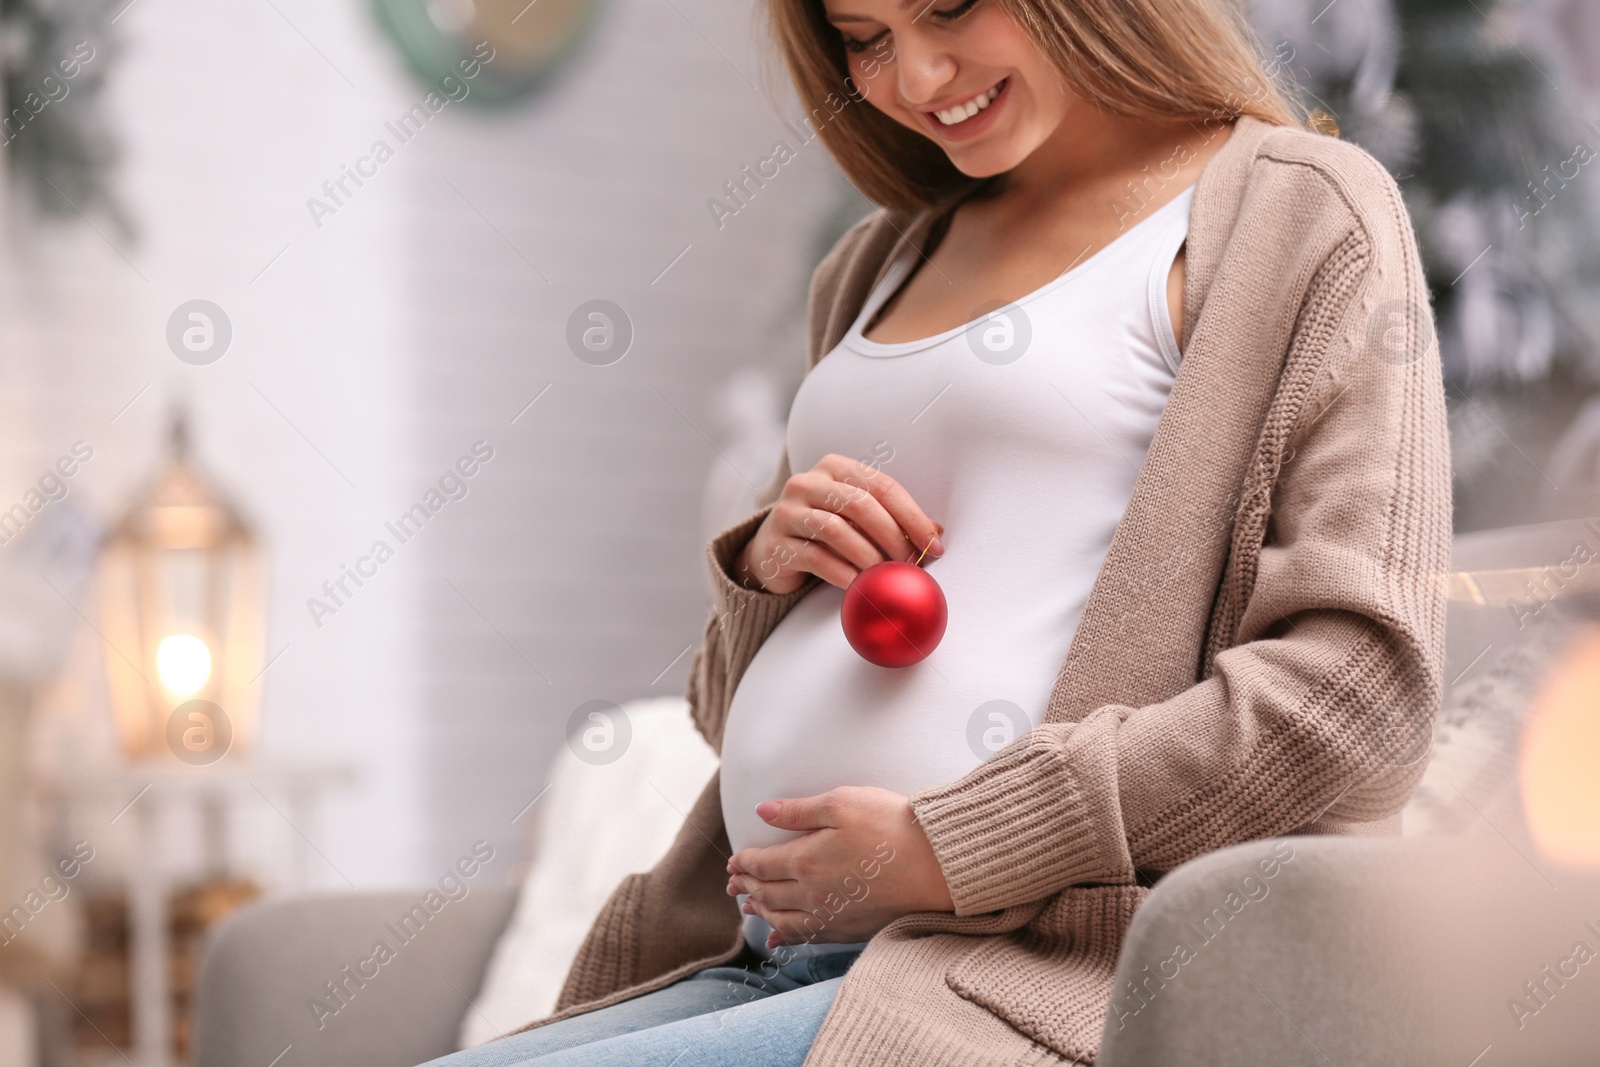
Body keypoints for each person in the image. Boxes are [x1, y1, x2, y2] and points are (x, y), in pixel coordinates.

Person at [421, 0, 1451, 1063]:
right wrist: (768, 572)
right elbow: (729, 715)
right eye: (864, 39)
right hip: (771, 958)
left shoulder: (1300, 213)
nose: (915, 79)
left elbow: (1355, 700)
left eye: (949, 9)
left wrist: (948, 845)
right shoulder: (877, 261)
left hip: (1036, 977)